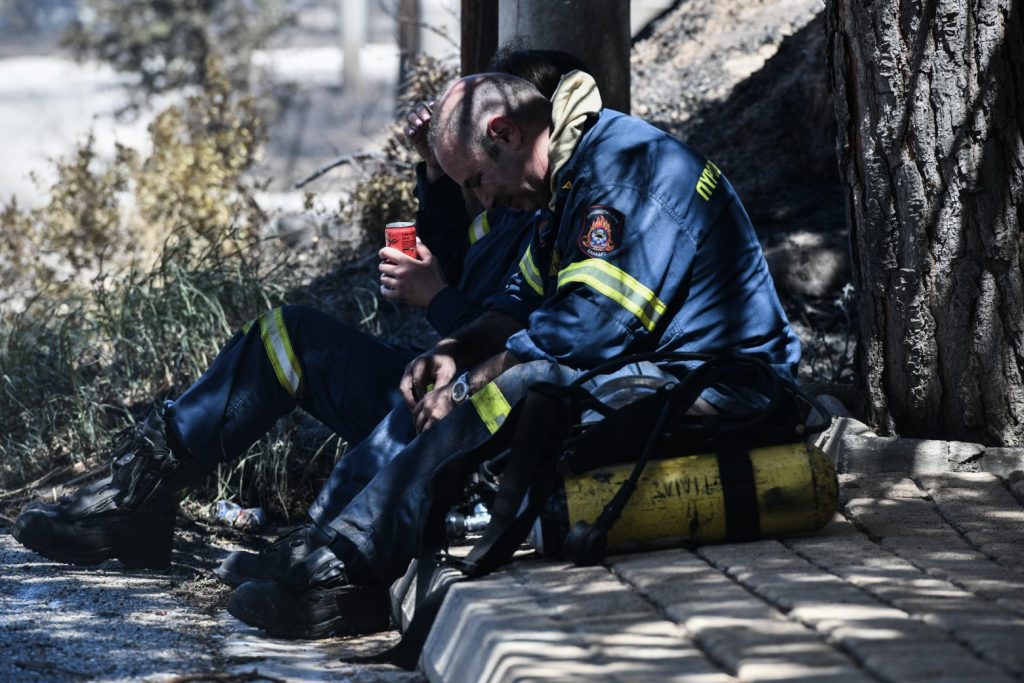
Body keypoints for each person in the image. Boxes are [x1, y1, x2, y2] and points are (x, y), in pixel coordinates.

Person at [217, 70, 801, 639]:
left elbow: (585, 333)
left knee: (524, 384)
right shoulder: (570, 179)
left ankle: (349, 579)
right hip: (651, 378)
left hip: (719, 395)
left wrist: (468, 387)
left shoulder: (622, 182)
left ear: (503, 133)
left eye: (473, 180)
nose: (481, 198)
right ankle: (326, 538)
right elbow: (518, 303)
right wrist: (451, 352)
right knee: (448, 379)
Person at [11, 51, 589, 607]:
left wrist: (436, 299)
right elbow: (467, 259)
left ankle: (326, 551)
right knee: (287, 334)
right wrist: (437, 175)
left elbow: (525, 344)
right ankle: (136, 497)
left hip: (475, 423)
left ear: (518, 128)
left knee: (370, 379)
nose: (485, 190)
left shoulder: (559, 208)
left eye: (481, 169)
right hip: (439, 389)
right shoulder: (513, 200)